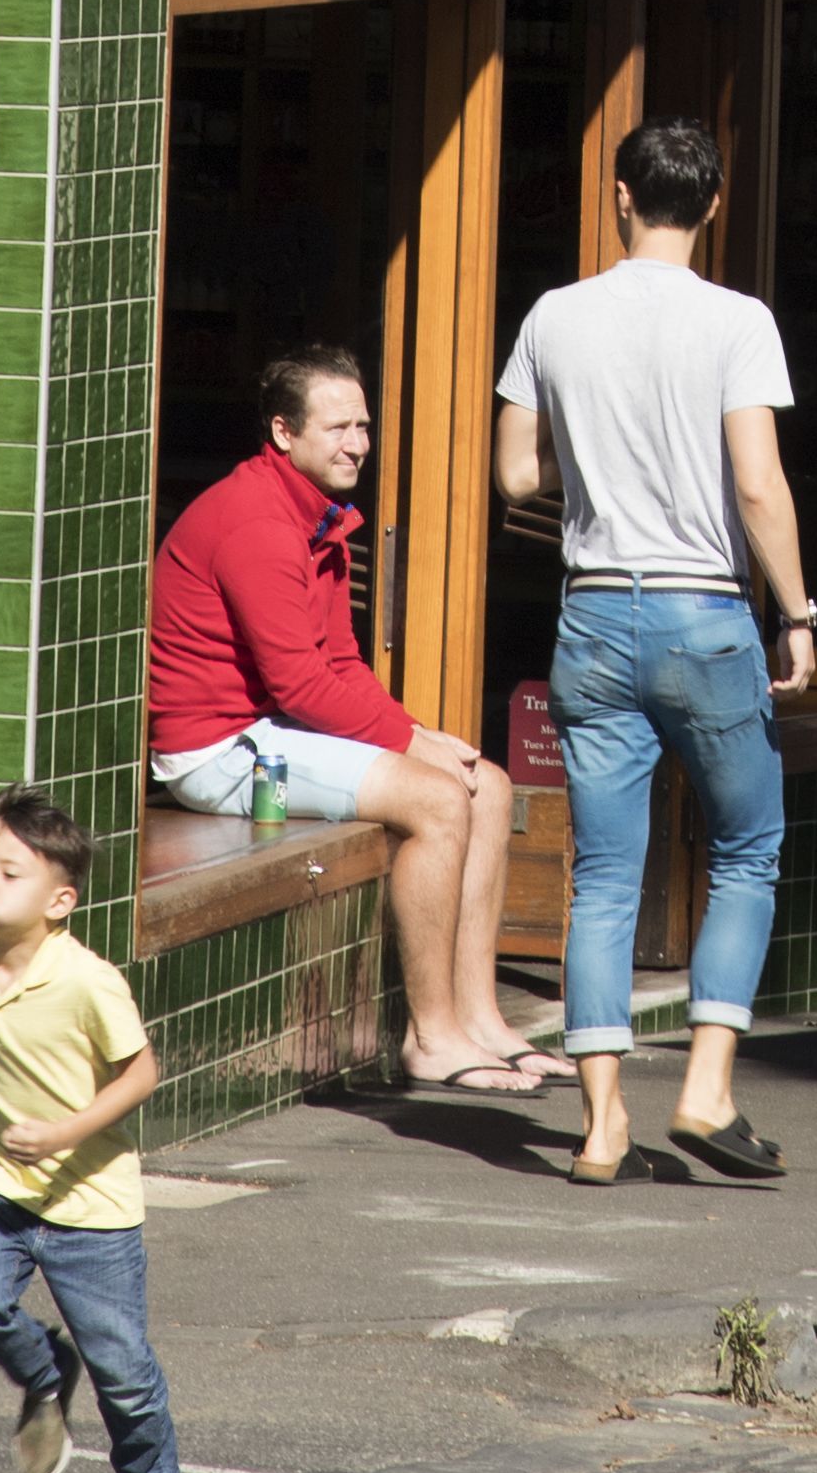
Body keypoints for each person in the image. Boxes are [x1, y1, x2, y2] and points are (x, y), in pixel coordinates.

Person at [493, 117, 814, 1189]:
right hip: (704, 613)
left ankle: (596, 1127)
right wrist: (798, 609)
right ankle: (707, 1087)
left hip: (591, 613)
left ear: (619, 194)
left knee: (603, 877)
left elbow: (516, 478)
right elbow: (759, 484)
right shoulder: (739, 320)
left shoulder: (552, 315)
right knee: (746, 849)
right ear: (712, 206)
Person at [149, 349, 559, 1096]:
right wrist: (414, 744)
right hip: (216, 750)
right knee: (438, 799)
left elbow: (339, 661)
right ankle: (431, 1038)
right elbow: (300, 683)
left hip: (274, 728)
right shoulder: (257, 522)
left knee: (488, 786)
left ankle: (482, 1020)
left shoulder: (317, 516)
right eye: (337, 426)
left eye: (363, 425)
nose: (357, 443)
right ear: (283, 432)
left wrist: (419, 735)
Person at [0, 785, 184, 1473]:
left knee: (123, 1370)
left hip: (92, 1204)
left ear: (60, 901)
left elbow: (143, 1072)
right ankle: (45, 1372)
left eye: (10, 874)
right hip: (6, 1188)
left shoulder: (87, 980)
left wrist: (65, 1131)